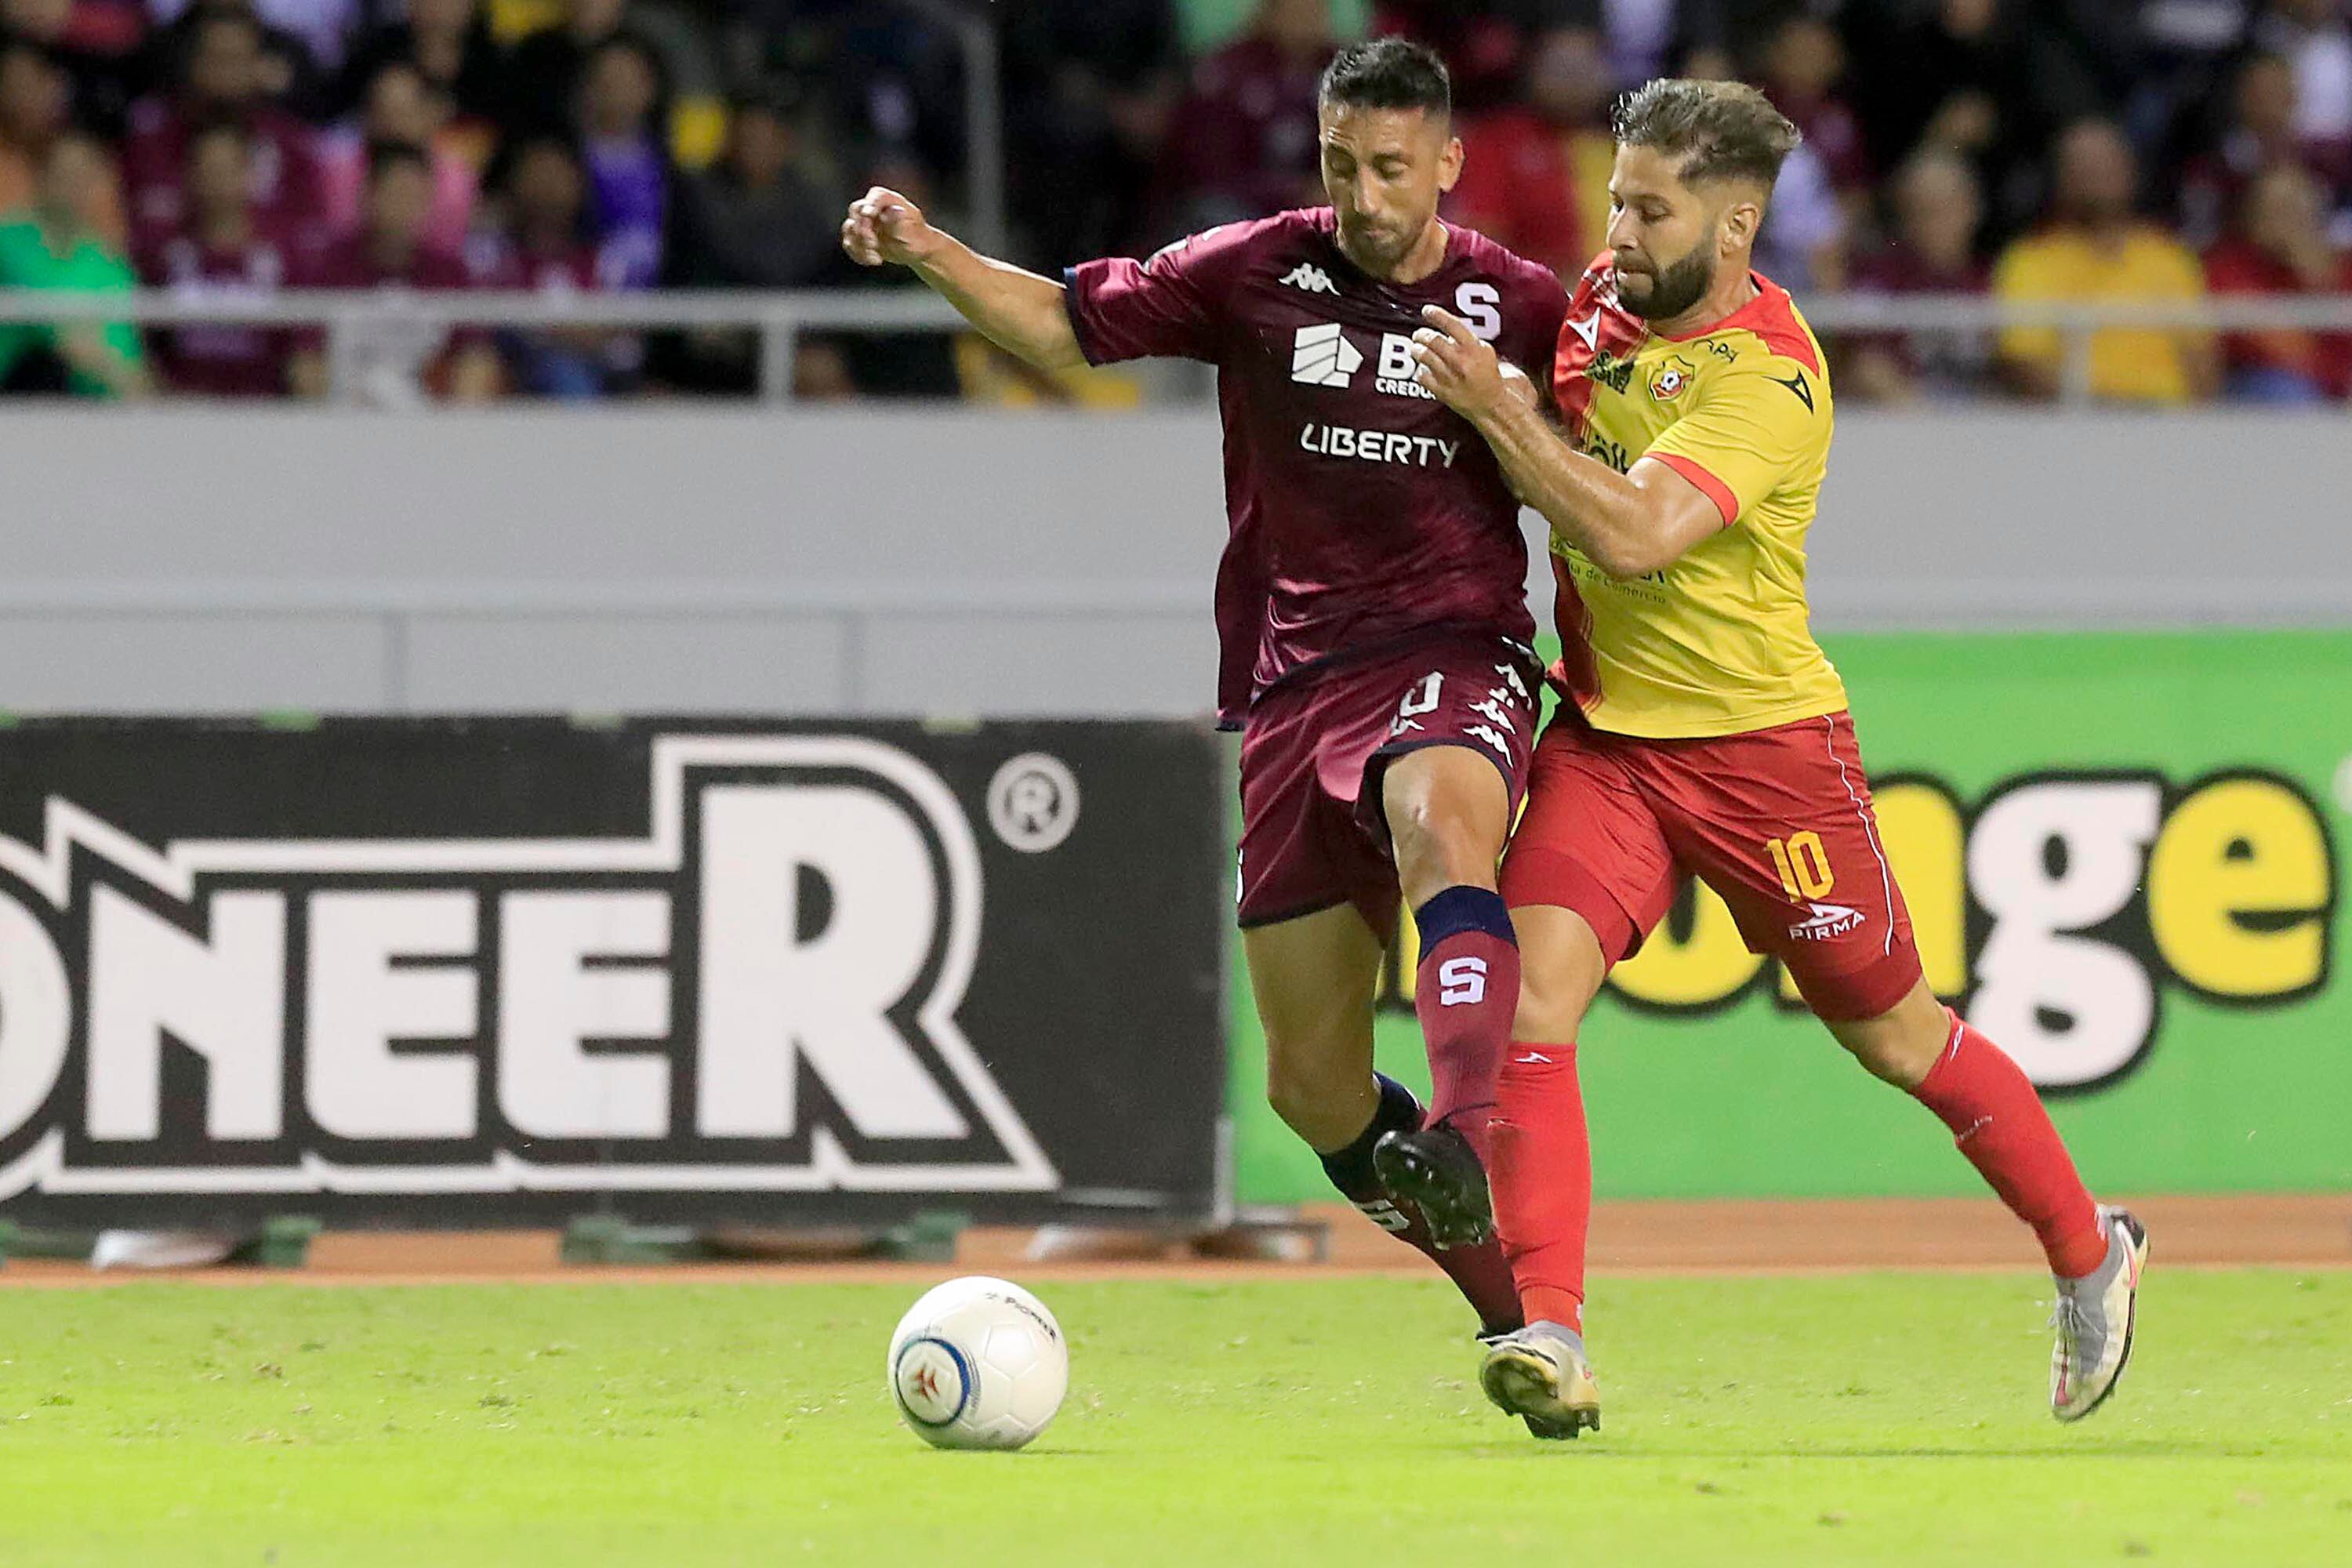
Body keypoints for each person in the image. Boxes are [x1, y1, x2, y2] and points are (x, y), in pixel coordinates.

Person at [1401, 78, 2147, 1439]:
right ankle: (1550, 1332)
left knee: (1898, 1036)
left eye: (1649, 207)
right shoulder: (1591, 308)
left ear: (1737, 223)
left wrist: (1507, 421)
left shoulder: (1773, 379)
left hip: (1766, 756)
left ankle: (2091, 1251)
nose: (1614, 229)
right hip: (1611, 742)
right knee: (1531, 1010)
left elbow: (1632, 535)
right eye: (1614, 199)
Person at [843, 37, 1567, 1339]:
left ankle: (1468, 1134)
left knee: (1438, 826)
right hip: (1296, 687)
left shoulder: (1519, 305)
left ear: (1449, 165)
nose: (1364, 194)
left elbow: (1615, 463)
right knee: (1312, 1088)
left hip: (1456, 649)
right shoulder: (1254, 269)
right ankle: (1512, 1319)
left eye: (1393, 168)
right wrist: (930, 250)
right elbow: (1066, 328)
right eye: (1343, 163)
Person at [1992, 118, 2216, 404]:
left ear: (2130, 171)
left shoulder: (2170, 257)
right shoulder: (2030, 260)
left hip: (2169, 426)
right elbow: (2025, 362)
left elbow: (2201, 358)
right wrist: (2113, 411)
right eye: (2082, 164)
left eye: (2105, 163)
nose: (2095, 174)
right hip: (2078, 427)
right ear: (2061, 179)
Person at [289, 140, 496, 405]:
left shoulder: (451, 272)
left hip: (429, 418)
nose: (405, 205)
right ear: (368, 194)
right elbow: (306, 359)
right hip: (347, 415)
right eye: (396, 192)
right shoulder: (329, 267)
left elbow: (475, 356)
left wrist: (453, 425)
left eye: (415, 195)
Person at [136, 117, 299, 395]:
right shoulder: (165, 254)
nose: (218, 181)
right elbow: (146, 346)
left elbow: (297, 349)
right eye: (208, 169)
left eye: (227, 169)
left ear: (249, 172)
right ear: (192, 175)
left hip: (263, 411)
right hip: (182, 410)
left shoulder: (282, 256)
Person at [0, 131, 148, 396]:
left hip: (92, 407)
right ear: (41, 177)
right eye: (65, 175)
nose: (73, 187)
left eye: (83, 176)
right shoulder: (7, 243)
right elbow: (54, 331)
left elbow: (126, 353)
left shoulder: (107, 262)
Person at [2205, 160, 2352, 402]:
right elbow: (2279, 347)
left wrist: (2316, 276)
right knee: (2286, 392)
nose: (2285, 220)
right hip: (2258, 386)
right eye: (2274, 209)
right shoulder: (2229, 266)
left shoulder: (2340, 268)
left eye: (2294, 207)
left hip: (2331, 386)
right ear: (2252, 216)